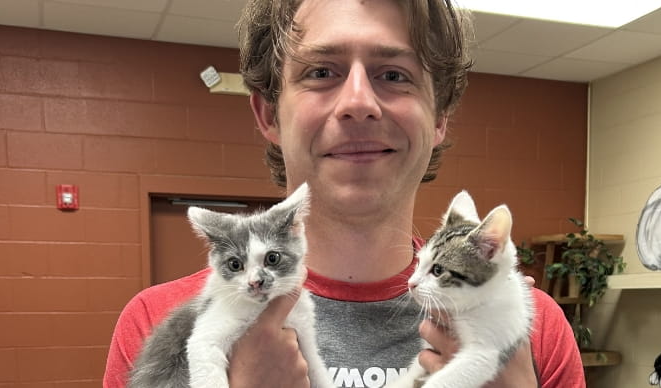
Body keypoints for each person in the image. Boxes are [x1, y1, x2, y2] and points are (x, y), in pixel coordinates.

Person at [103, 0, 586, 387]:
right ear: (269, 115)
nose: (359, 103)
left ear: (439, 118)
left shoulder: (534, 331)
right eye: (321, 72)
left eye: (394, 75)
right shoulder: (159, 325)